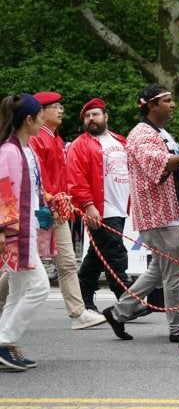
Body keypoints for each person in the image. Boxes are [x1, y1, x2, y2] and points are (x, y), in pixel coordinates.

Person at [0, 92, 106, 330]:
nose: (60, 111)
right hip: (33, 218)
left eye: (61, 106)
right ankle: (6, 338)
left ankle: (8, 337)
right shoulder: (21, 147)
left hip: (45, 212)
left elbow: (39, 184)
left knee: (31, 272)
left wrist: (56, 200)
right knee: (32, 276)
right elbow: (6, 190)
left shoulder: (50, 140)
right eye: (52, 107)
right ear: (33, 117)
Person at [103, 85, 179, 342]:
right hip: (158, 214)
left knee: (159, 269)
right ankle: (178, 327)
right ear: (152, 105)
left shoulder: (160, 132)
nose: (173, 104)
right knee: (176, 270)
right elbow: (161, 164)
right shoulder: (142, 134)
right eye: (168, 101)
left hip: (168, 212)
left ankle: (119, 312)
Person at [66, 98, 133, 313]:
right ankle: (127, 299)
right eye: (87, 116)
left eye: (95, 114)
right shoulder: (80, 145)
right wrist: (87, 204)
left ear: (106, 116)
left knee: (97, 254)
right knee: (114, 252)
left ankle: (84, 296)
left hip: (120, 206)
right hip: (101, 208)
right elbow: (75, 178)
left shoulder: (121, 141)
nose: (90, 119)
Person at [0, 94, 51, 370]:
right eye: (40, 114)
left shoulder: (26, 150)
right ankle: (4, 339)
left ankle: (5, 344)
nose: (44, 118)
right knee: (39, 287)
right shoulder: (8, 151)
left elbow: (30, 189)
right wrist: (3, 229)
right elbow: (2, 191)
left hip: (25, 227)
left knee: (18, 293)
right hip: (14, 231)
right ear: (28, 120)